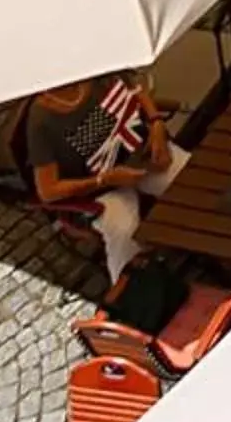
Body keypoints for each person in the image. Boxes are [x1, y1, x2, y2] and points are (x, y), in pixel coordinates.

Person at [25, 72, 181, 285]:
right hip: (101, 188)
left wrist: (156, 124)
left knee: (191, 180)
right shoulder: (40, 121)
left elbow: (136, 89)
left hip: (140, 156)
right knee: (123, 230)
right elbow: (48, 190)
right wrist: (102, 181)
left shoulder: (101, 71)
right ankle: (135, 294)